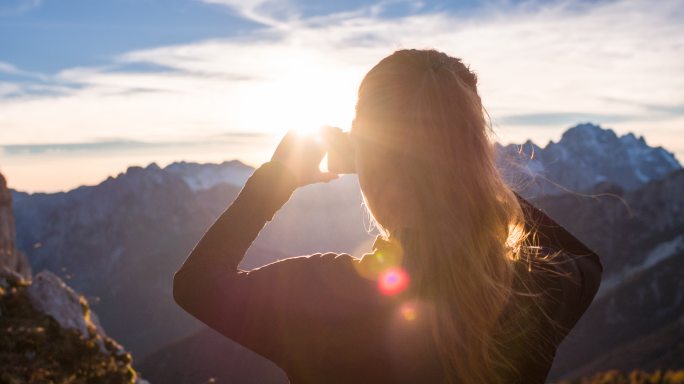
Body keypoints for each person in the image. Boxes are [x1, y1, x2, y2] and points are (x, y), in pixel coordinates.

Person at [173, 49, 603, 383]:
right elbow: (587, 262)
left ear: (367, 158)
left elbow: (196, 284)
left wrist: (277, 180)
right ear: (474, 155)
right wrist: (470, 174)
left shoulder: (325, 297)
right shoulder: (537, 289)